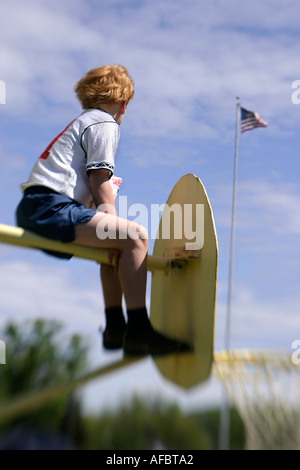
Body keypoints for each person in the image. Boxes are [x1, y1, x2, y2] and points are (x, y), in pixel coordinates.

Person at [16, 65, 191, 356]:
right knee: (135, 236)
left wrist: (108, 221)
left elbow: (87, 191)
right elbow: (99, 180)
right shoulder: (104, 123)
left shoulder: (85, 121)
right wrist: (113, 219)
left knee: (121, 247)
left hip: (39, 205)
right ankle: (138, 329)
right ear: (124, 104)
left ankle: (115, 328)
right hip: (49, 206)